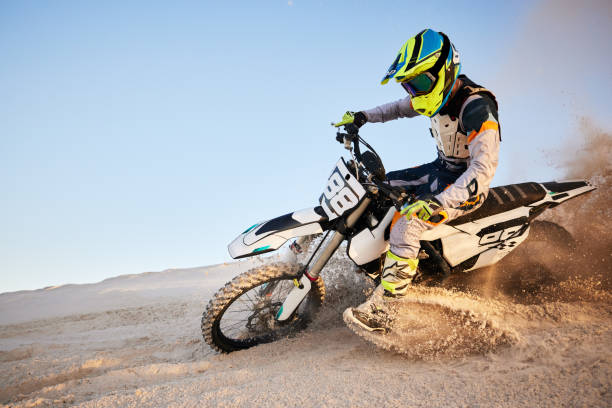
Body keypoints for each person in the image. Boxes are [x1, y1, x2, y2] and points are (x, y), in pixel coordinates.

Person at [336, 29, 501, 331]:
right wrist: (362, 116)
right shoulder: (434, 95)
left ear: (445, 69)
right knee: (371, 187)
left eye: (420, 82)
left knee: (406, 226)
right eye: (410, 85)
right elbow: (398, 108)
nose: (414, 92)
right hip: (440, 169)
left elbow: (482, 170)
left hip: (465, 187)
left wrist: (438, 202)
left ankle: (386, 311)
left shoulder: (476, 107)